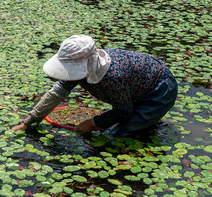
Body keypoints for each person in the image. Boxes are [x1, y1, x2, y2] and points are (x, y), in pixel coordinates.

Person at [12, 35, 178, 137]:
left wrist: (91, 123)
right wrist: (29, 121)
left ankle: (148, 121)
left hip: (159, 89)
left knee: (118, 134)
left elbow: (123, 111)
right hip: (135, 87)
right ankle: (147, 123)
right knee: (126, 124)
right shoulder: (84, 67)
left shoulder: (112, 77)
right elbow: (57, 93)